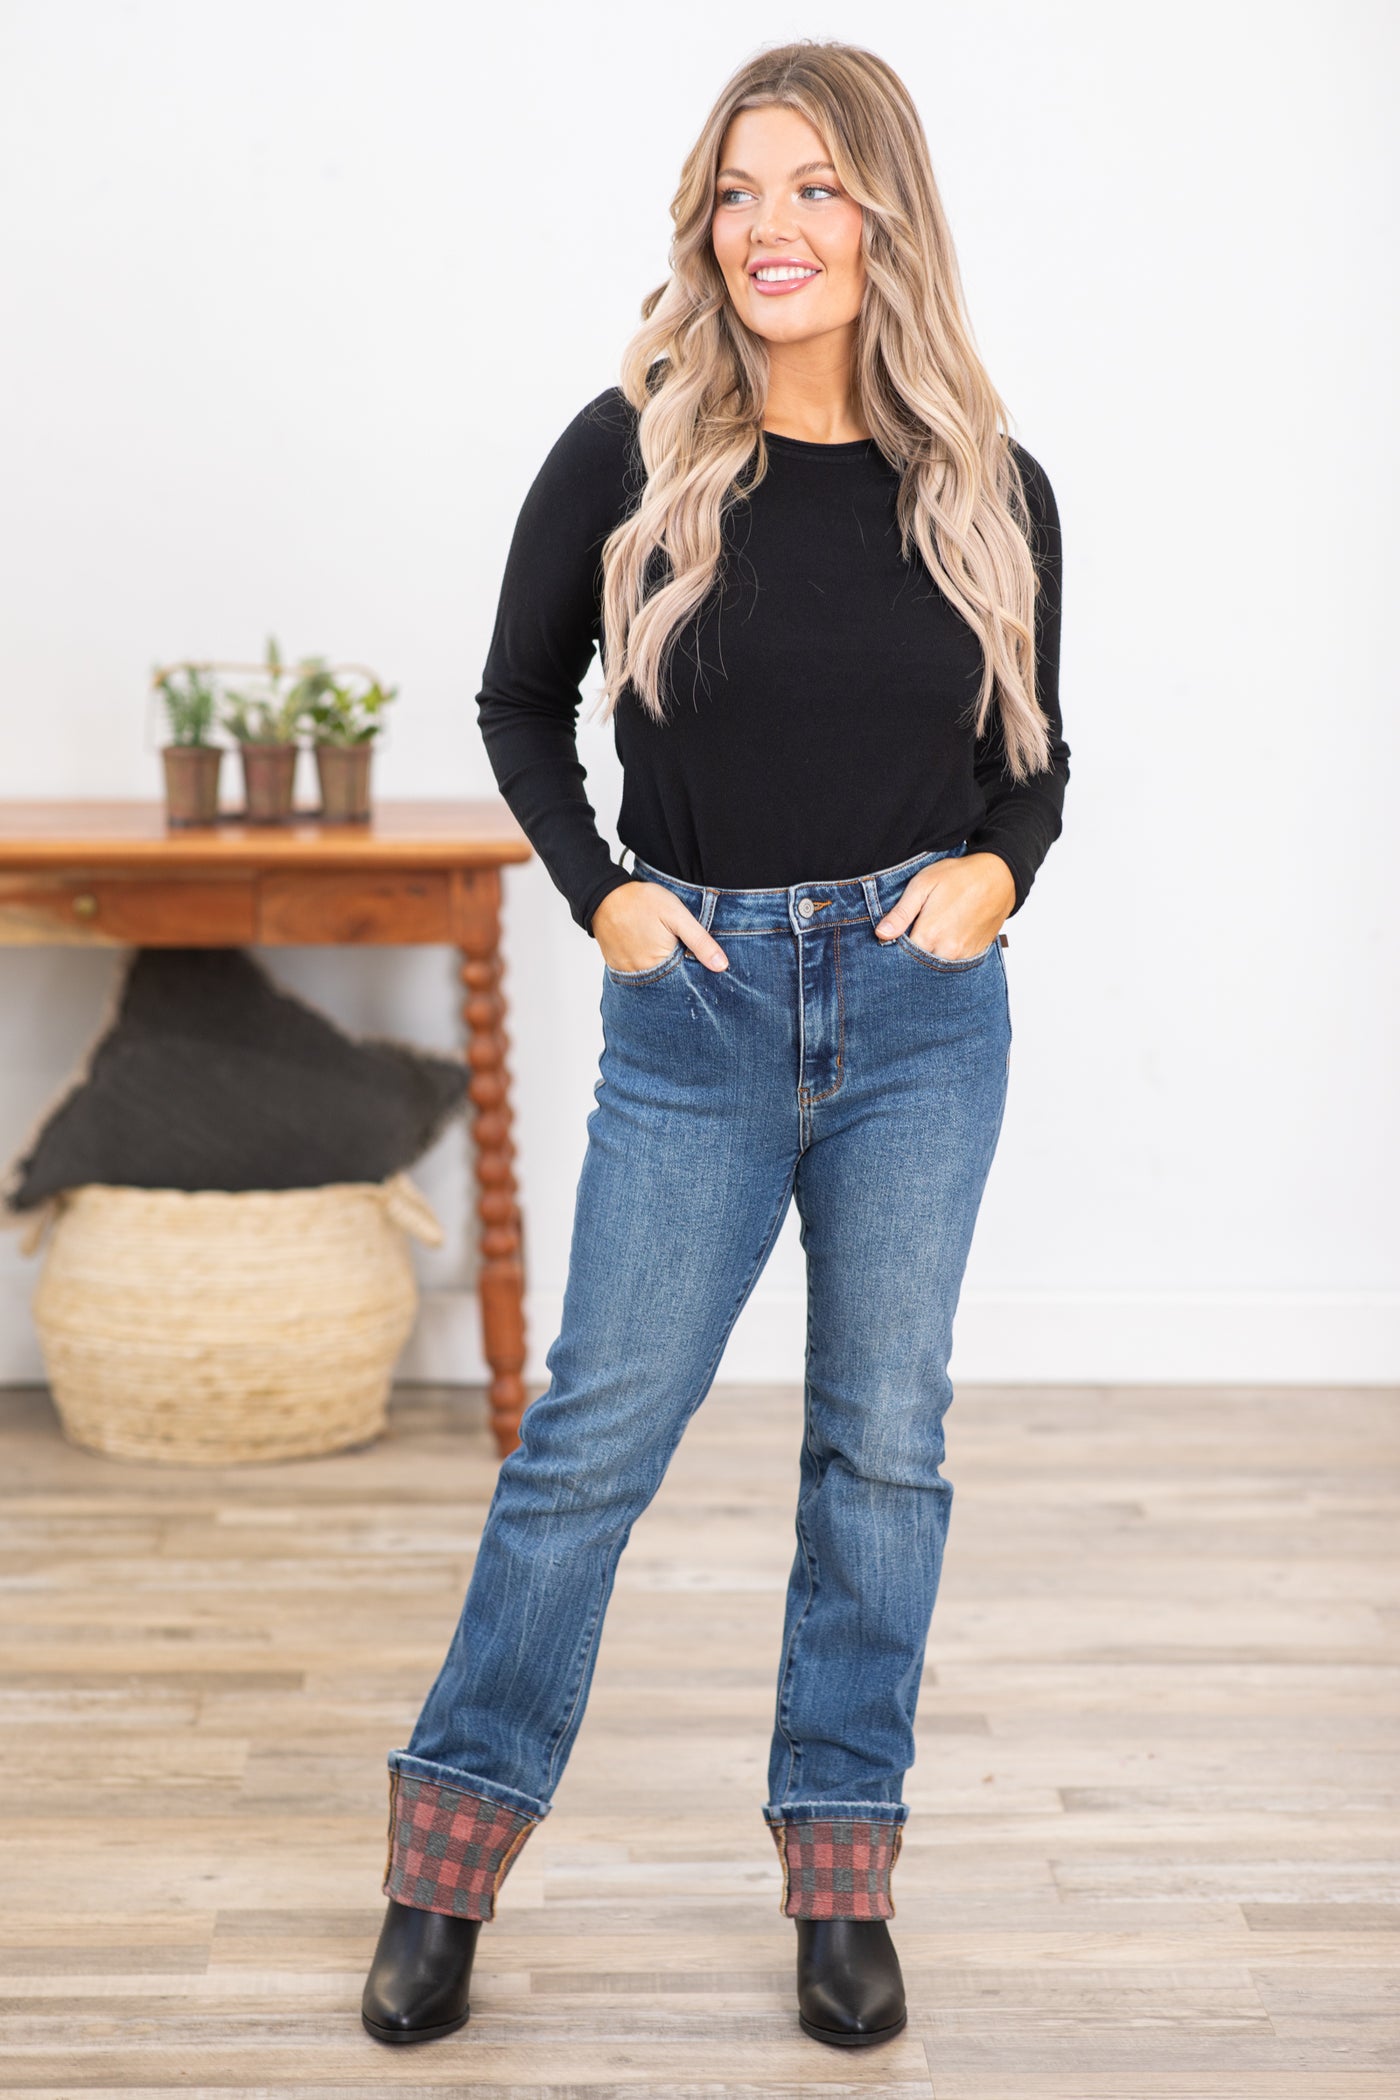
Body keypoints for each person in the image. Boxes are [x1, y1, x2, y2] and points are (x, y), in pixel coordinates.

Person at [362, 36, 1069, 2053]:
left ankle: (843, 1887)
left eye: (815, 187)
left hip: (922, 1020)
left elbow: (1033, 760)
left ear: (884, 218)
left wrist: (996, 880)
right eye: (740, 191)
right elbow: (517, 701)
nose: (772, 227)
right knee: (590, 1444)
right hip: (699, 1006)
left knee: (883, 1449)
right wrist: (601, 892)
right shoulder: (630, 449)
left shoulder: (989, 484)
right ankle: (441, 1874)